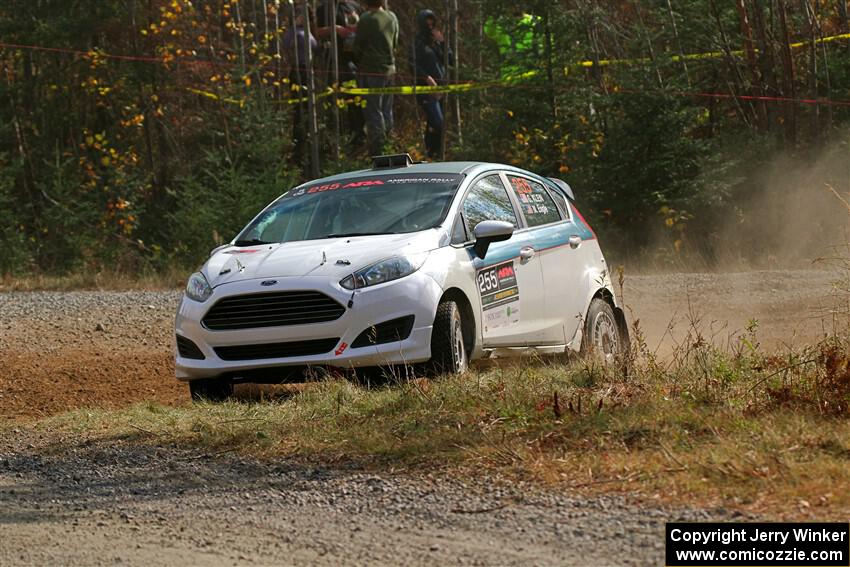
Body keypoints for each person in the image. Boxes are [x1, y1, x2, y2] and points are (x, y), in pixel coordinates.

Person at [353, 0, 399, 156]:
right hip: (389, 70)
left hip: (371, 70)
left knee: (374, 112)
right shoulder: (392, 17)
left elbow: (357, 45)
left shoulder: (366, 19)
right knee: (387, 110)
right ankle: (390, 146)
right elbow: (395, 43)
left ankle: (378, 152)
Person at [412, 9, 452, 159]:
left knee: (433, 124)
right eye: (426, 23)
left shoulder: (436, 40)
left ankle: (430, 154)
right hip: (426, 89)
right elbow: (413, 64)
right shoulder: (417, 42)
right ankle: (433, 153)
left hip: (442, 88)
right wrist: (426, 78)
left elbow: (450, 60)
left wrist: (442, 43)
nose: (430, 25)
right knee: (438, 123)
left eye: (432, 23)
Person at [283, 8, 318, 167]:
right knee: (299, 109)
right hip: (298, 71)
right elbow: (285, 44)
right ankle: (298, 145)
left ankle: (311, 142)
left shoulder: (308, 31)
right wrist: (294, 27)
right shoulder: (293, 31)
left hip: (310, 72)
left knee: (310, 108)